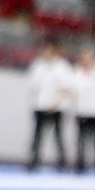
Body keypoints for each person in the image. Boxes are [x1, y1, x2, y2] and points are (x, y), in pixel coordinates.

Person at [26, 38, 73, 172]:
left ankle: (62, 163)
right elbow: (33, 86)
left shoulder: (63, 67)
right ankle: (34, 162)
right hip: (40, 106)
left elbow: (67, 88)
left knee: (58, 136)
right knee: (37, 136)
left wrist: (56, 103)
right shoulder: (38, 65)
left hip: (57, 107)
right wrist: (35, 102)